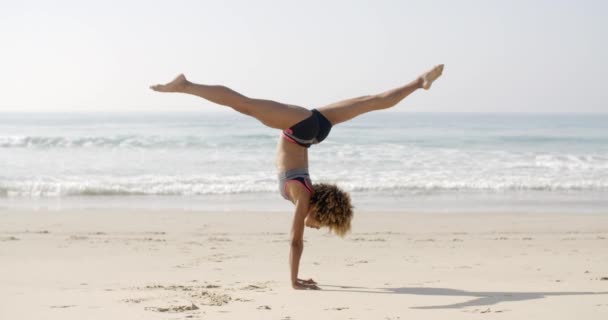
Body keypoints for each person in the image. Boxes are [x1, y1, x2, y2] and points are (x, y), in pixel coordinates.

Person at [150, 64, 444, 290]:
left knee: (371, 101)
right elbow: (295, 241)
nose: (317, 227)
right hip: (300, 128)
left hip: (314, 132)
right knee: (245, 104)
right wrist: (294, 280)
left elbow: (300, 232)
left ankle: (419, 82)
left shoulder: (306, 192)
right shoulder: (303, 196)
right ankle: (185, 85)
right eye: (322, 222)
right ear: (320, 208)